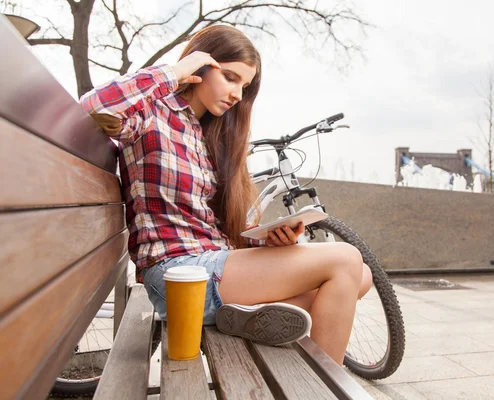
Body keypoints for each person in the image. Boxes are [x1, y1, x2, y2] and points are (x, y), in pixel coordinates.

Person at [80, 25, 372, 366]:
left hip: (214, 263)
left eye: (244, 87)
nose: (237, 94)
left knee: (359, 276)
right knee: (345, 261)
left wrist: (269, 241)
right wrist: (175, 72)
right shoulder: (152, 113)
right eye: (230, 77)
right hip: (176, 274)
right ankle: (322, 389)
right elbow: (91, 107)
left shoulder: (211, 139)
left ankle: (245, 317)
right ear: (199, 66)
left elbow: (221, 231)